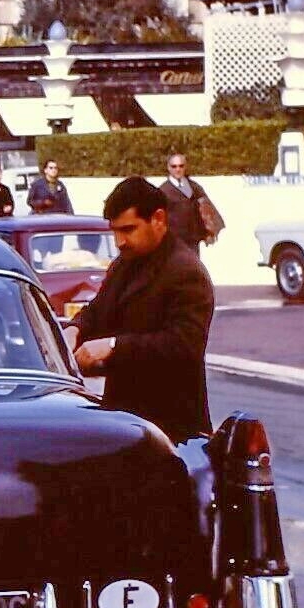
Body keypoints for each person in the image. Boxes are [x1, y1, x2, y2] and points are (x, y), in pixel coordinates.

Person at [70, 176, 215, 443]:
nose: (120, 241)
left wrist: (114, 346)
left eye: (128, 230)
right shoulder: (124, 265)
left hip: (172, 429)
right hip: (125, 422)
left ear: (158, 219)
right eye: (115, 231)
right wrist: (75, 329)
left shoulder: (186, 271)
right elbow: (99, 309)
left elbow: (184, 345)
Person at [158, 153, 221, 250]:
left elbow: (206, 209)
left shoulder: (195, 187)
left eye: (181, 166)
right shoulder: (163, 190)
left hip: (193, 240)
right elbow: (158, 217)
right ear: (168, 168)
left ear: (185, 167)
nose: (178, 169)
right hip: (174, 241)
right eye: (174, 166)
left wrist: (208, 231)